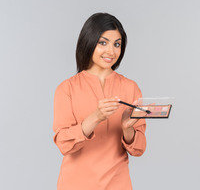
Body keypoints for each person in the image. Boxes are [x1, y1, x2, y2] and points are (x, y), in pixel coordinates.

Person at [53, 12, 147, 190]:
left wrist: (128, 130)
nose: (111, 51)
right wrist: (95, 117)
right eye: (103, 42)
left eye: (117, 44)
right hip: (75, 184)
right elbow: (64, 144)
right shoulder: (67, 89)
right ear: (88, 41)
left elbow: (139, 148)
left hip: (118, 184)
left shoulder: (130, 88)